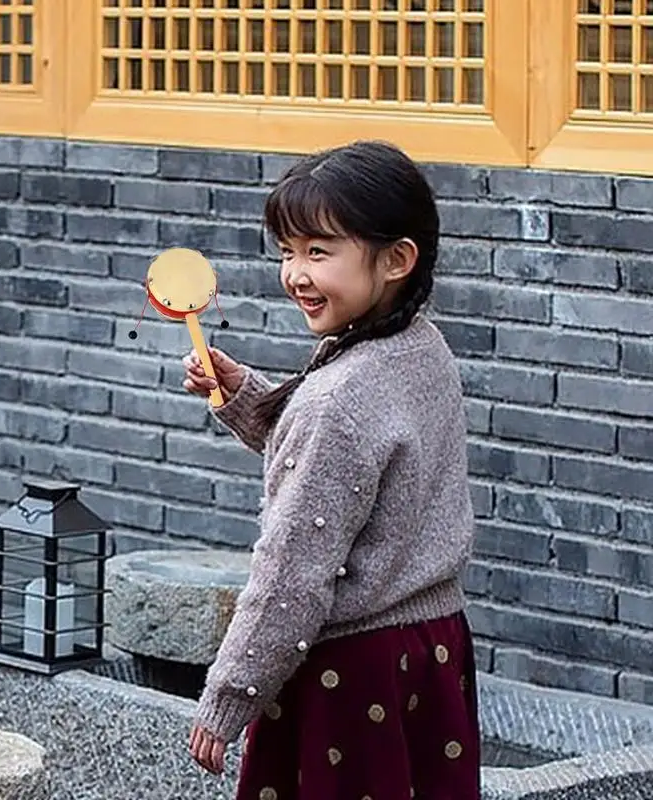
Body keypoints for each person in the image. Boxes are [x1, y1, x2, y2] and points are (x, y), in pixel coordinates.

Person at [182, 140, 480, 800]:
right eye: (288, 251)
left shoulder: (338, 395)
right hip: (431, 653)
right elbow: (356, 475)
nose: (295, 273)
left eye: (319, 252)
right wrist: (250, 397)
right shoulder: (420, 347)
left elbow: (292, 569)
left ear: (397, 259)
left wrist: (230, 696)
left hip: (349, 675)